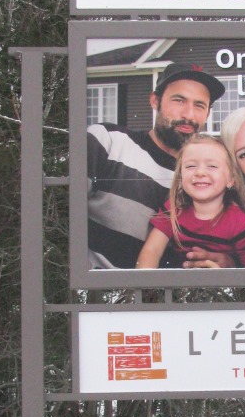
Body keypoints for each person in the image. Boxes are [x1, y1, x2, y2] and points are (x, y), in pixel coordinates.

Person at [87, 61, 233, 269]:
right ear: (155, 101)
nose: (189, 115)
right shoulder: (108, 141)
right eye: (179, 100)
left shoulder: (209, 178)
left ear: (208, 114)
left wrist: (229, 261)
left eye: (199, 106)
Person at [136, 135, 245, 269]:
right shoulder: (173, 211)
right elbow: (151, 251)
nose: (200, 172)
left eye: (212, 166)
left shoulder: (243, 225)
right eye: (190, 166)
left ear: (231, 179)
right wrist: (146, 288)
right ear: (180, 176)